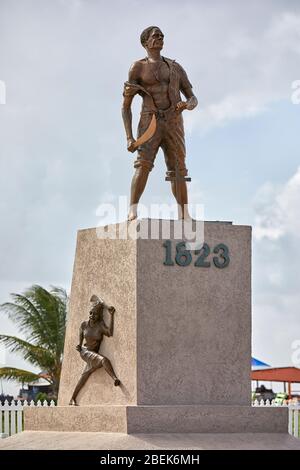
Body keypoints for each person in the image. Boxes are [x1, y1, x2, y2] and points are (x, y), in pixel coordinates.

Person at [122, 26, 198, 221]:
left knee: (179, 169)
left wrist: (188, 105)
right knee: (143, 164)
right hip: (150, 121)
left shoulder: (175, 67)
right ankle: (132, 209)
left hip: (173, 121)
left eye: (162, 36)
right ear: (145, 42)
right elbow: (126, 106)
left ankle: (184, 213)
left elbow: (192, 97)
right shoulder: (137, 67)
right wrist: (129, 136)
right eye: (156, 36)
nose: (160, 38)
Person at [69, 295, 120, 406]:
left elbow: (110, 333)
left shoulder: (101, 326)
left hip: (93, 353)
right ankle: (115, 378)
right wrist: (79, 345)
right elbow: (81, 337)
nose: (92, 316)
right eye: (91, 313)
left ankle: (72, 398)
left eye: (95, 314)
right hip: (85, 351)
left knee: (84, 376)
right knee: (103, 360)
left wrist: (112, 316)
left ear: (99, 315)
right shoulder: (84, 324)